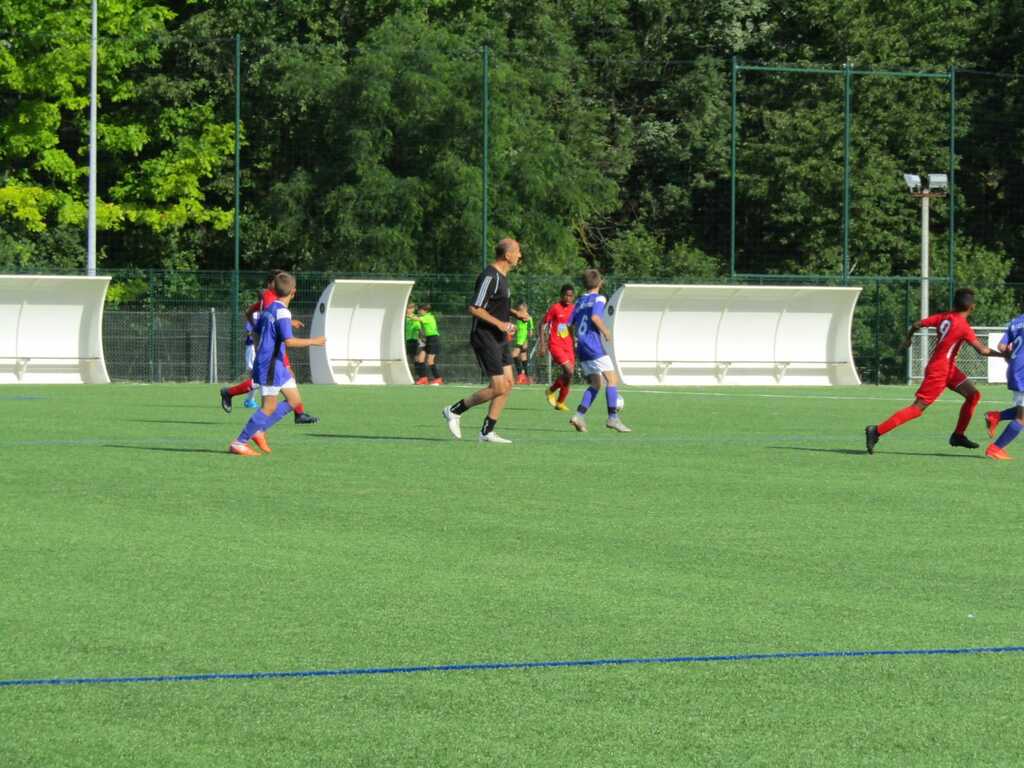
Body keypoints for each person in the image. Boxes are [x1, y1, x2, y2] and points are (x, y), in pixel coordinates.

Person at [866, 288, 1008, 454]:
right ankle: (876, 431)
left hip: (948, 369)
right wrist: (1005, 355)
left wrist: (908, 339)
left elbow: (916, 325)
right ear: (972, 307)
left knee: (973, 395)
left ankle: (958, 435)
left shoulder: (944, 317)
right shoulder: (963, 326)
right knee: (917, 408)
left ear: (954, 304)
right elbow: (982, 350)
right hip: (939, 371)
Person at [229, 272, 326, 456]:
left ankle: (259, 430)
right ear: (294, 291)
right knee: (269, 407)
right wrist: (315, 341)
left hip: (277, 363)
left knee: (294, 401)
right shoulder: (282, 312)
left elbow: (256, 327)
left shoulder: (271, 308)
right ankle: (239, 442)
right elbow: (289, 341)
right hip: (271, 365)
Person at [442, 238, 521, 443]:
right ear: (508, 255)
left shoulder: (503, 277)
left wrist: (514, 314)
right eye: (517, 252)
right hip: (485, 337)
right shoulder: (490, 276)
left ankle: (487, 432)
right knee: (499, 386)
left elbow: (494, 305)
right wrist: (500, 324)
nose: (520, 255)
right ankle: (454, 410)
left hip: (499, 337)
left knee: (508, 383)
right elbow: (475, 307)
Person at [568, 269, 630, 433]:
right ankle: (612, 418)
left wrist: (574, 341)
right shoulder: (599, 298)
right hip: (593, 345)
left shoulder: (579, 301)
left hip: (581, 346)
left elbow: (569, 324)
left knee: (596, 383)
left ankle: (579, 416)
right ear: (600, 283)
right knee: (612, 379)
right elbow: (595, 317)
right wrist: (606, 332)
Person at [983, 311, 1024, 460]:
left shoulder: (1016, 322)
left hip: (1015, 370)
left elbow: (1001, 346)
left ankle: (996, 416)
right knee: (1022, 418)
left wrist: (1013, 361)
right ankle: (995, 449)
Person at [538, 284, 576, 411]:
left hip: (568, 345)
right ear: (561, 295)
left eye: (571, 296)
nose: (568, 298)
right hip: (555, 345)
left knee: (568, 376)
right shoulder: (555, 308)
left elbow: (571, 327)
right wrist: (542, 344)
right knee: (569, 371)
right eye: (566, 295)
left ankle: (560, 402)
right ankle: (551, 390)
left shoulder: (574, 309)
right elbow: (541, 324)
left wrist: (574, 342)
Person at [418, 303, 443, 385]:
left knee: (430, 361)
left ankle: (438, 378)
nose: (419, 312)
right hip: (428, 339)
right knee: (420, 358)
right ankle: (423, 378)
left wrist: (407, 315)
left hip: (434, 340)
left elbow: (416, 318)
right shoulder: (425, 316)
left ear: (424, 310)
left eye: (420, 310)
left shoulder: (428, 317)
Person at [510, 301, 534, 385]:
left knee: (514, 354)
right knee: (523, 358)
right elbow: (519, 327)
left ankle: (520, 375)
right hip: (519, 338)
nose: (519, 311)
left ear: (525, 308)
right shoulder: (519, 317)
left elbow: (530, 330)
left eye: (521, 310)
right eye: (518, 310)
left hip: (522, 339)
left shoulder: (527, 317)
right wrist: (514, 329)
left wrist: (526, 338)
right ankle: (527, 378)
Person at [405, 303, 427, 382]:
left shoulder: (415, 317)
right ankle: (416, 377)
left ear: (413, 309)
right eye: (408, 308)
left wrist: (423, 338)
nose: (409, 310)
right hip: (407, 340)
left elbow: (419, 329)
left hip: (414, 340)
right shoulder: (404, 318)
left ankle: (419, 377)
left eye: (411, 308)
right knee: (410, 359)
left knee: (416, 359)